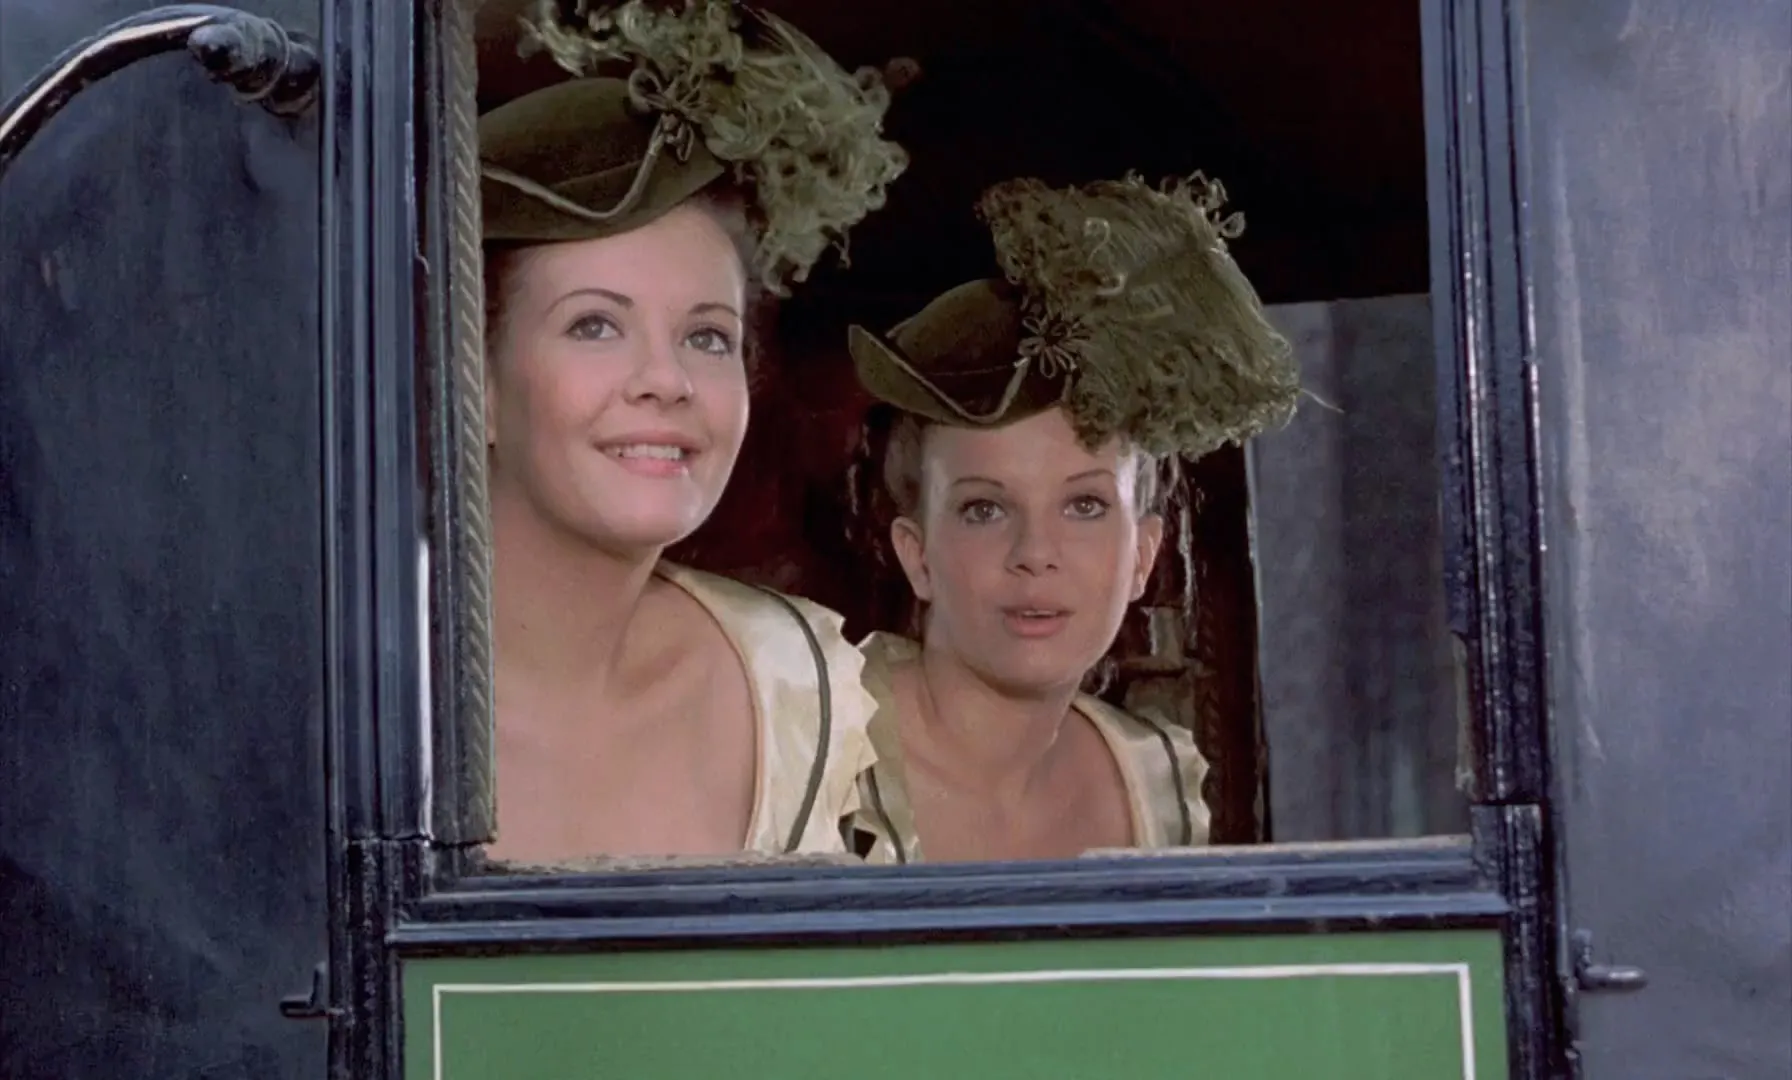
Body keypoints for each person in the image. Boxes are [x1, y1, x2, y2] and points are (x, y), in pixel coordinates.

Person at [477, 0, 907, 866]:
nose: (666, 380)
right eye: (595, 325)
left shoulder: (797, 685)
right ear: (475, 384)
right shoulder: (342, 701)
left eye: (707, 336)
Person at [844, 173, 1301, 863]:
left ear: (1143, 555)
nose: (1036, 551)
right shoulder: (815, 752)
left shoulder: (1157, 784)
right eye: (984, 508)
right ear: (918, 555)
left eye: (1085, 505)